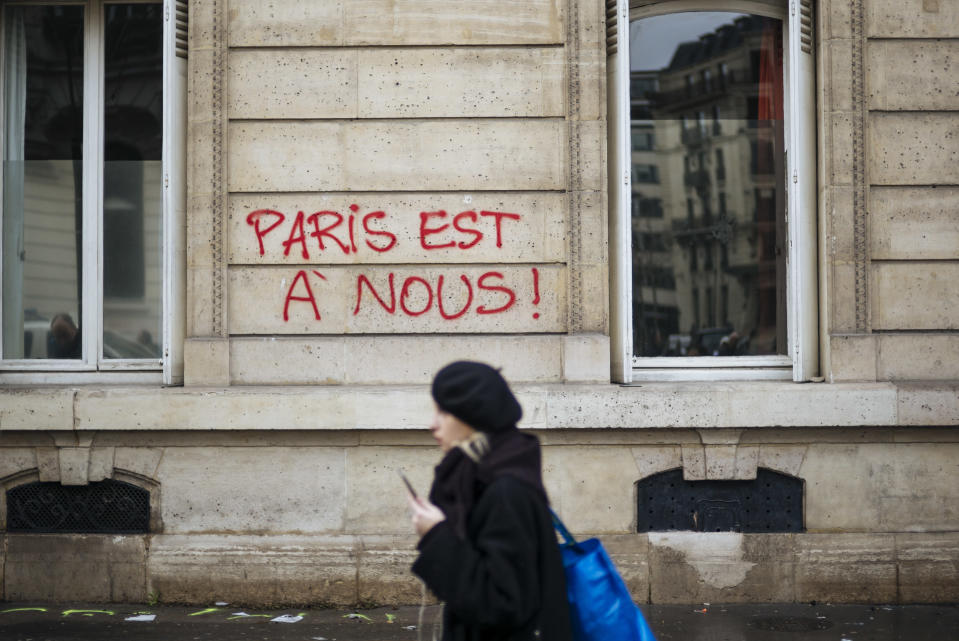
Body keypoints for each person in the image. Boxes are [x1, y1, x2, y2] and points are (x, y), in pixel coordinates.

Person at [407, 361, 572, 641]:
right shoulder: (481, 474)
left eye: (444, 412)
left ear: (472, 417)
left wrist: (436, 536)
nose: (432, 424)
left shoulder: (505, 491)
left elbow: (503, 605)